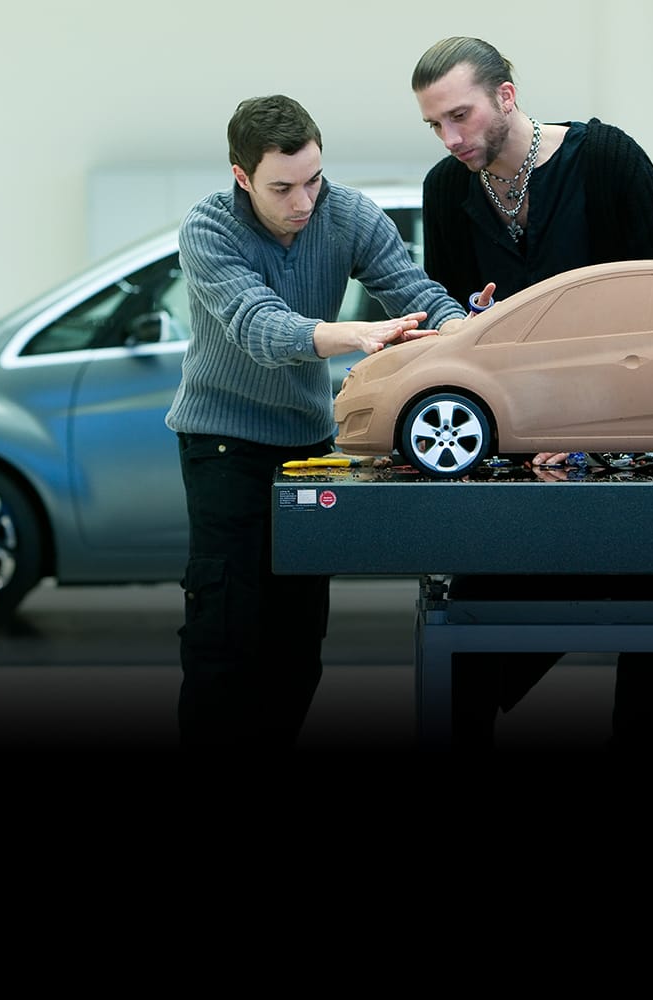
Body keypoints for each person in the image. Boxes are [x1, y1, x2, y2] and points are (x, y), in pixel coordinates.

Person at [166, 94, 481, 751]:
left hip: (307, 447)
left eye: (313, 179)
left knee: (297, 637)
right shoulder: (208, 228)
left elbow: (413, 290)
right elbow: (259, 327)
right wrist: (355, 334)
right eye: (282, 188)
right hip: (223, 447)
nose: (304, 201)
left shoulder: (348, 214)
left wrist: (464, 328)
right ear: (242, 176)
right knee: (225, 633)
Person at [411, 36, 653, 750]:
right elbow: (448, 325)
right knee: (473, 643)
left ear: (506, 96)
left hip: (629, 445)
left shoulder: (606, 161)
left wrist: (591, 428)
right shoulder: (446, 189)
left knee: (646, 638)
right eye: (435, 125)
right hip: (516, 455)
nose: (450, 139)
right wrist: (469, 322)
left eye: (460, 116)